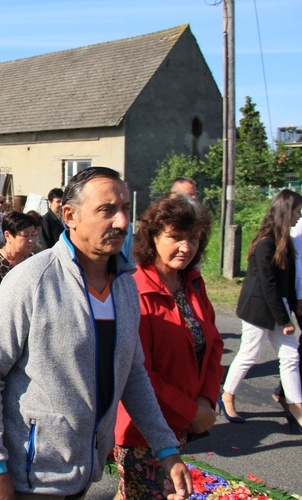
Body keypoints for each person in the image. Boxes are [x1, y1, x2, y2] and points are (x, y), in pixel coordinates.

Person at [0, 167, 192, 498]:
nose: (122, 222)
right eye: (106, 210)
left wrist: (166, 448)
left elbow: (132, 373)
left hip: (85, 475)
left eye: (125, 209)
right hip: (27, 480)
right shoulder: (31, 280)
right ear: (69, 215)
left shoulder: (125, 287)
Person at [113, 194, 223, 497]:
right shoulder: (136, 289)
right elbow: (139, 373)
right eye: (175, 237)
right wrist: (192, 411)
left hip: (183, 421)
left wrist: (206, 401)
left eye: (193, 238)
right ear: (152, 238)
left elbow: (213, 345)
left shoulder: (192, 281)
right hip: (142, 429)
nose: (186, 247)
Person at [221, 189, 302, 433]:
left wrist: (294, 313)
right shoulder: (265, 243)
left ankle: (296, 407)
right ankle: (227, 396)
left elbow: (286, 285)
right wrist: (283, 319)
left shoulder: (284, 240)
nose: (299, 216)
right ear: (286, 211)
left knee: (290, 356)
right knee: (249, 354)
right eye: (297, 211)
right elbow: (268, 286)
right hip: (258, 309)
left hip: (279, 307)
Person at [0, 211, 37, 316]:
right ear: (8, 235)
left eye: (33, 235)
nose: (31, 240)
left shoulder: (33, 259)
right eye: (26, 235)